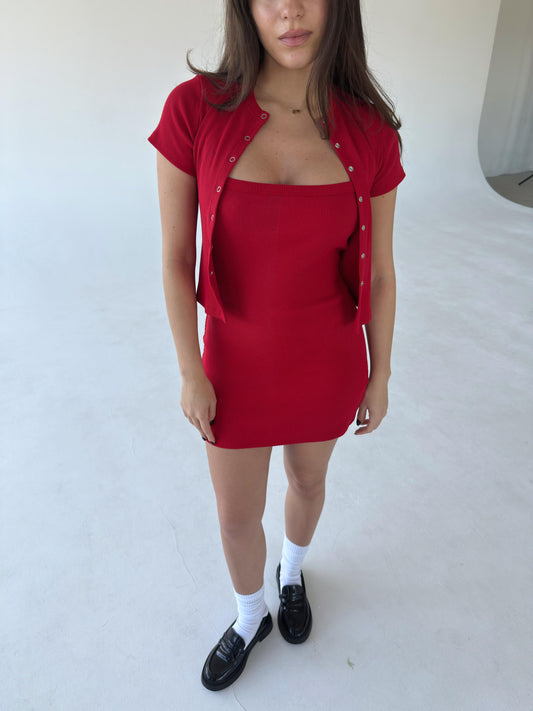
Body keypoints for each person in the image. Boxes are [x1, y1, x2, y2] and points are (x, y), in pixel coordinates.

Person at [148, 0, 405, 692]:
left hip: (327, 361)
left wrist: (380, 373)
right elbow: (174, 257)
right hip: (232, 367)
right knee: (236, 517)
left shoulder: (371, 131)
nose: (289, 10)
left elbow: (381, 272)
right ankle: (248, 614)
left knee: (308, 482)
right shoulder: (194, 110)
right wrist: (190, 369)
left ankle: (291, 575)